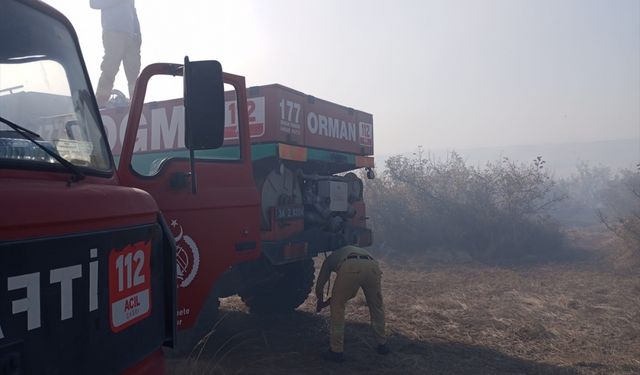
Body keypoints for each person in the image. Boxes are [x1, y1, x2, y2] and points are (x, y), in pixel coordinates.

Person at [315, 245, 389, 362]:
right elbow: (351, 293)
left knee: (337, 307)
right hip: (373, 266)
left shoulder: (330, 259)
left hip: (350, 267)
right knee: (376, 307)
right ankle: (382, 345)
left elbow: (320, 286)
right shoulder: (353, 249)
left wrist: (320, 301)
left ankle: (336, 351)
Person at [90, 0, 141, 107]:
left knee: (134, 75)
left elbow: (133, 10)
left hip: (131, 35)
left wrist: (138, 33)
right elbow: (94, 3)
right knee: (110, 69)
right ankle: (100, 104)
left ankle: (137, 104)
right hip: (113, 32)